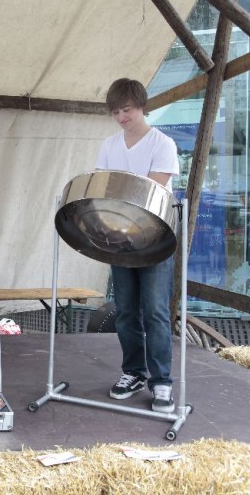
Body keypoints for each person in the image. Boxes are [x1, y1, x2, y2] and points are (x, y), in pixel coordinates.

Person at [94, 78, 180, 414]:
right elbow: (103, 191)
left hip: (154, 237)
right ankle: (133, 372)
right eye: (115, 112)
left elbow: (151, 193)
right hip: (119, 239)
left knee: (156, 311)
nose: (121, 117)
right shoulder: (109, 145)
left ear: (142, 106)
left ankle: (161, 381)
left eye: (126, 110)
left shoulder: (163, 144)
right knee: (126, 311)